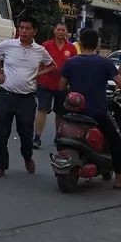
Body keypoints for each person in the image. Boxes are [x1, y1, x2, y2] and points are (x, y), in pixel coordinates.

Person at [60, 28, 121, 188]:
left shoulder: (71, 62)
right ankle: (119, 179)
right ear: (97, 44)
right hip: (97, 113)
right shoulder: (104, 63)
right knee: (116, 140)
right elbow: (120, 83)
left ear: (80, 43)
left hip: (74, 112)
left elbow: (61, 86)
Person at [0, 17, 54, 177]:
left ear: (35, 31)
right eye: (21, 28)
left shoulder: (40, 50)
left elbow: (52, 65)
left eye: (27, 28)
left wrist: (39, 74)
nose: (23, 31)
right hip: (6, 95)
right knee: (2, 133)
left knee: (25, 133)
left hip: (27, 98)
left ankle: (27, 156)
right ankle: (0, 165)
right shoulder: (8, 45)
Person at [33, 21, 77, 149]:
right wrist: (36, 78)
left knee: (60, 113)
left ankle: (59, 137)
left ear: (66, 32)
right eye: (59, 29)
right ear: (54, 30)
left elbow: (74, 67)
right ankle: (37, 137)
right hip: (45, 83)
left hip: (63, 85)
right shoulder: (46, 45)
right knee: (42, 109)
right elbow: (40, 64)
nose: (61, 32)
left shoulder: (71, 48)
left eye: (63, 30)